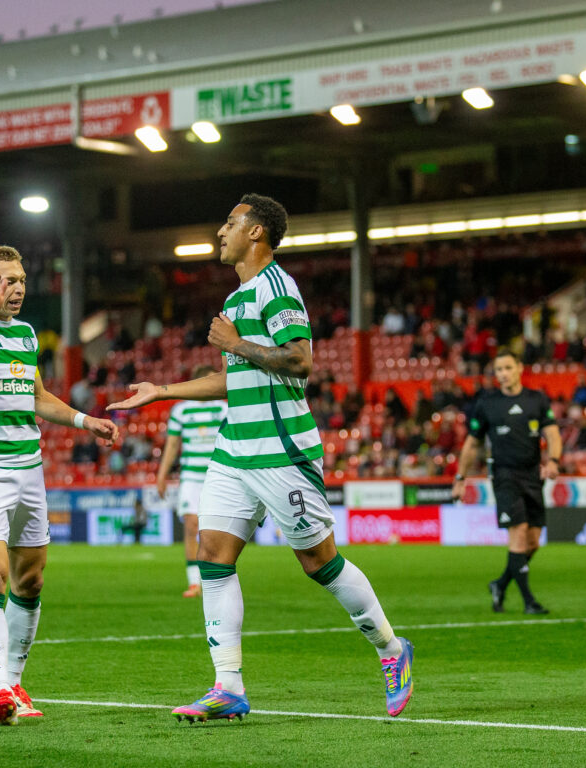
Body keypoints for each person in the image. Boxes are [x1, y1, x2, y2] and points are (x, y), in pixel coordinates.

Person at [109, 194, 413, 722]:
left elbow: (299, 360)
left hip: (282, 449)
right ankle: (227, 685)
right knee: (212, 555)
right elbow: (233, 380)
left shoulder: (277, 287)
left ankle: (391, 648)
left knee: (318, 563)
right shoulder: (237, 298)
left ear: (256, 232)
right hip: (234, 449)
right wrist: (162, 391)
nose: (220, 230)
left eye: (230, 222)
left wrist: (235, 342)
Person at [0, 245, 119, 726]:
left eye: (21, 279)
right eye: (7, 280)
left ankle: (16, 682)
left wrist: (84, 420)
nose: (18, 288)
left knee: (31, 580)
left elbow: (37, 396)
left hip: (29, 469)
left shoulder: (24, 334)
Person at [452, 349, 562, 615]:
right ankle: (529, 602)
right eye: (498, 370)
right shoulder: (487, 403)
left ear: (520, 368)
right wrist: (460, 478)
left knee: (533, 542)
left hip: (532, 477)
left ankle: (500, 584)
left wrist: (553, 460)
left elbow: (552, 434)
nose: (503, 374)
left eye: (508, 368)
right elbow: (472, 444)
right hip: (504, 476)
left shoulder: (537, 399)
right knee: (519, 532)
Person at [154, 364, 227, 598]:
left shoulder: (223, 408)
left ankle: (216, 578)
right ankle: (194, 582)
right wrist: (162, 475)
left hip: (218, 475)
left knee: (214, 531)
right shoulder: (181, 410)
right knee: (191, 525)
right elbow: (172, 445)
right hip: (191, 477)